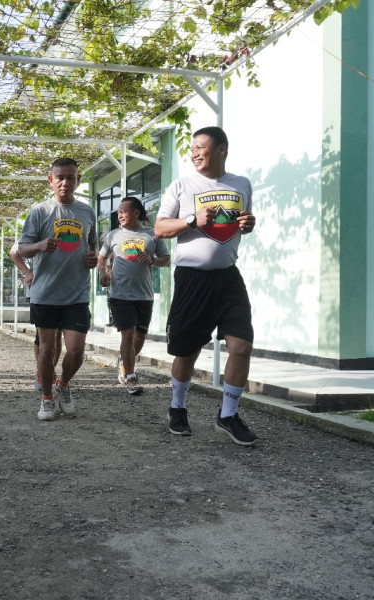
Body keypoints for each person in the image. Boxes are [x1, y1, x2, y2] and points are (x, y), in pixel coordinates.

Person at [154, 126, 258, 446]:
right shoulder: (182, 185)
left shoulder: (241, 184)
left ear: (222, 150)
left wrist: (248, 224)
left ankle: (227, 415)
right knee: (188, 350)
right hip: (192, 278)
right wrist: (191, 220)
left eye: (201, 147)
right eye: (192, 148)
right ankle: (178, 408)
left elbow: (241, 223)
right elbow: (159, 228)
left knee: (241, 346)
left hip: (228, 276)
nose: (194, 153)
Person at [17, 157, 98, 421]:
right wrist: (40, 246)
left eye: (70, 177)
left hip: (77, 293)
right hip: (45, 293)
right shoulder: (40, 212)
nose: (65, 183)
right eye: (60, 178)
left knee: (76, 350)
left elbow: (92, 247)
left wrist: (94, 259)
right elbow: (21, 248)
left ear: (78, 180)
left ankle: (62, 386)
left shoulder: (87, 212)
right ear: (50, 180)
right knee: (48, 349)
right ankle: (47, 399)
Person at [98, 196, 170, 396]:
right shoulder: (113, 236)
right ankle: (130, 376)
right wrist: (103, 273)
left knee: (139, 338)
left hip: (144, 295)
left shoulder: (153, 235)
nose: (119, 215)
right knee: (127, 334)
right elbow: (101, 256)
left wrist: (153, 259)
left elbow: (166, 260)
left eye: (123, 211)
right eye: (118, 212)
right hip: (120, 294)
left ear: (136, 212)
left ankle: (124, 361)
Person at [9, 243, 63, 390]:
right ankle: (41, 371)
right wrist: (27, 272)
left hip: (65, 292)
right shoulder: (36, 231)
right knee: (43, 336)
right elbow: (14, 251)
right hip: (40, 291)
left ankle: (50, 370)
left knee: (57, 336)